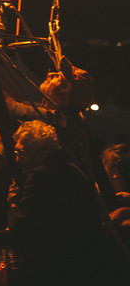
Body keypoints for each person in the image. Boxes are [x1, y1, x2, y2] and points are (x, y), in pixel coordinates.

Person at [8, 119, 122, 285]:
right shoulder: (70, 168)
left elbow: (21, 227)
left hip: (62, 269)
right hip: (86, 265)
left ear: (39, 151)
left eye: (22, 152)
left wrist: (13, 200)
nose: (17, 159)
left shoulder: (41, 176)